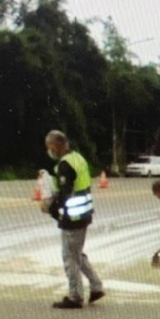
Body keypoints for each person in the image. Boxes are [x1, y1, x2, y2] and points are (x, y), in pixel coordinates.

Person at [41, 131, 104, 309]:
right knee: (77, 254)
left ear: (57, 145)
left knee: (69, 257)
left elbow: (65, 192)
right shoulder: (78, 158)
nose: (49, 150)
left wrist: (52, 209)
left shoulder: (65, 165)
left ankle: (75, 297)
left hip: (72, 217)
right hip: (84, 214)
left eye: (50, 146)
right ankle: (96, 286)